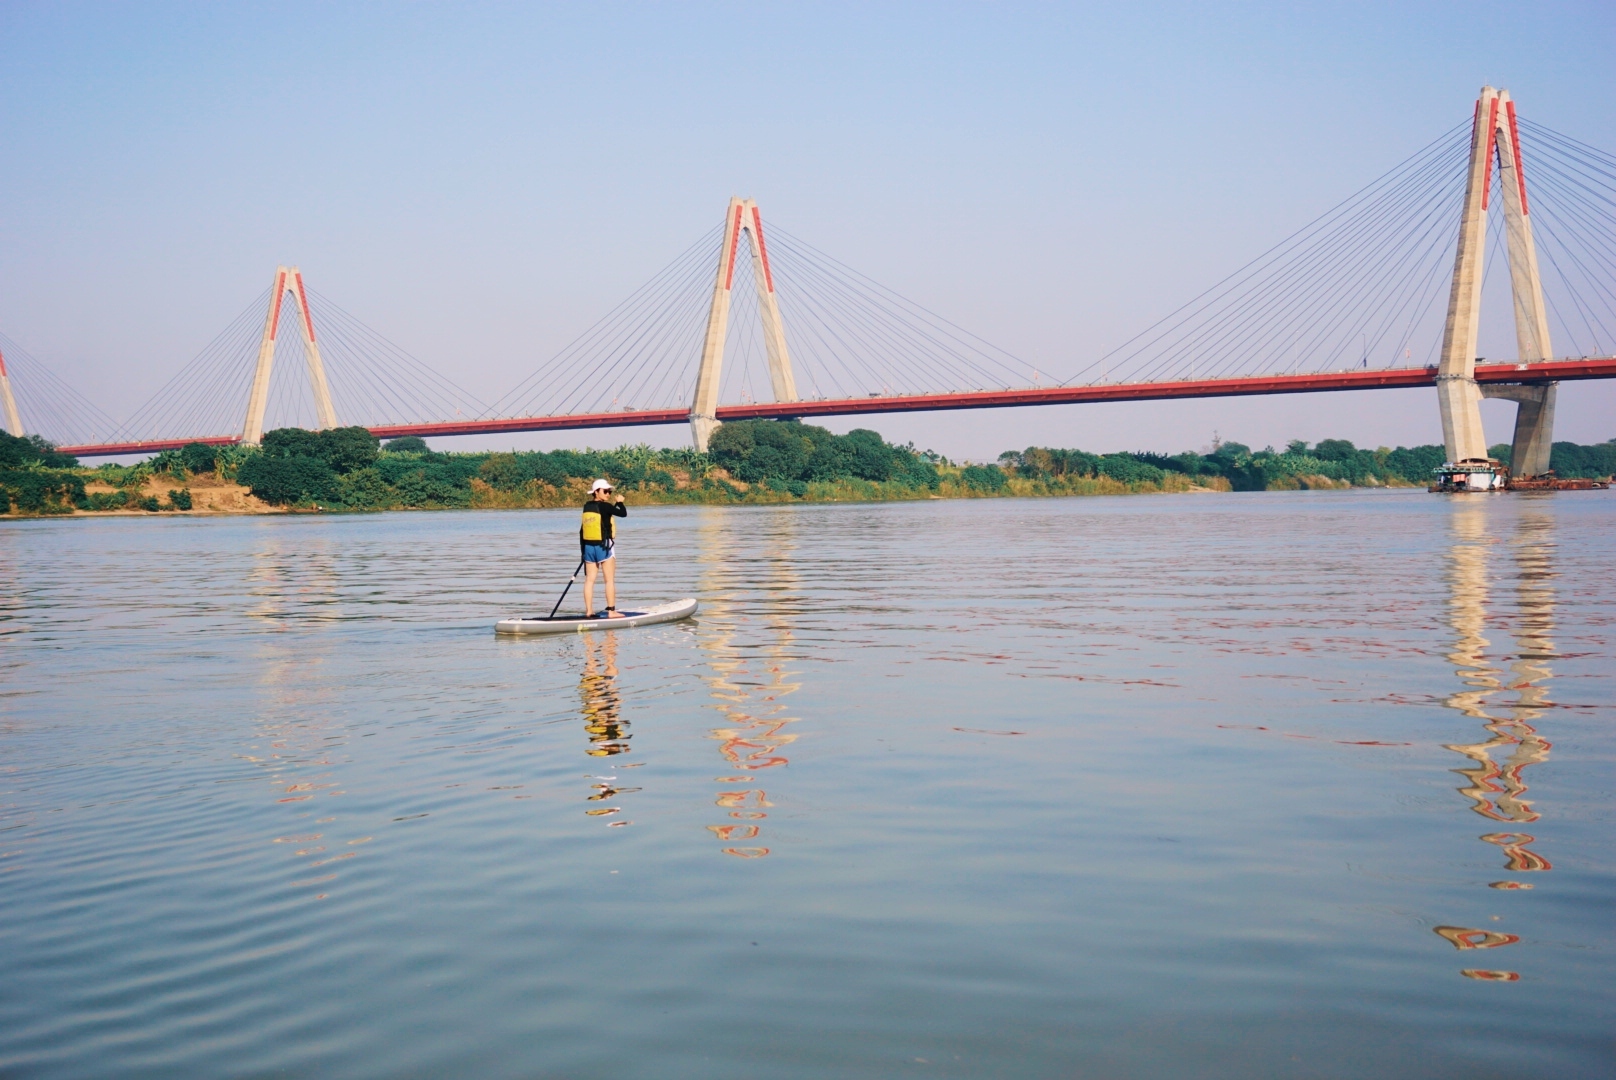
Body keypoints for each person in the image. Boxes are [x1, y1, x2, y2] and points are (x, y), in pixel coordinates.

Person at [579, 479, 627, 618]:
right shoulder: (606, 506)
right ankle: (611, 611)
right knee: (609, 580)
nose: (608, 494)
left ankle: (589, 611)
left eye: (609, 491)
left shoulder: (586, 506)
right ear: (596, 492)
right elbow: (623, 513)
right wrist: (619, 502)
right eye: (605, 491)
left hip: (588, 547)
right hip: (604, 546)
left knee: (589, 580)